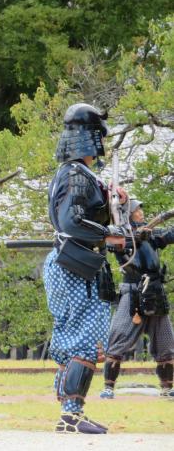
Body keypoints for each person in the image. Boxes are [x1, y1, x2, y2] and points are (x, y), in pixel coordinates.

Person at [44, 103, 127, 434]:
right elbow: (73, 222)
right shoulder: (77, 175)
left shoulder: (73, 174)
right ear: (90, 138)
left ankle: (70, 410)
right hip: (76, 267)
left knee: (74, 340)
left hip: (72, 263)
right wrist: (109, 234)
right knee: (88, 342)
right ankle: (71, 416)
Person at [101, 199, 174, 399]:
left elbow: (169, 235)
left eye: (141, 208)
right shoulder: (118, 233)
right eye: (137, 209)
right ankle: (108, 387)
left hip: (154, 289)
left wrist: (146, 234)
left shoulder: (151, 234)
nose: (141, 212)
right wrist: (135, 236)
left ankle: (167, 388)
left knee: (165, 342)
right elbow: (114, 246)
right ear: (128, 213)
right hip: (133, 290)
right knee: (119, 337)